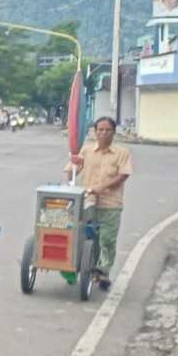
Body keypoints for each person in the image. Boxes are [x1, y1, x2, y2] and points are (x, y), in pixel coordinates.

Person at [65, 116, 132, 291]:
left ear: (114, 132)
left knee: (107, 239)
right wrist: (73, 164)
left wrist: (101, 188)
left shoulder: (122, 153)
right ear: (95, 132)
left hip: (111, 203)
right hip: (88, 201)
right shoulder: (86, 150)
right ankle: (88, 268)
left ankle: (103, 272)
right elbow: (70, 173)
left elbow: (123, 175)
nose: (103, 133)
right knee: (88, 237)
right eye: (100, 130)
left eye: (107, 130)